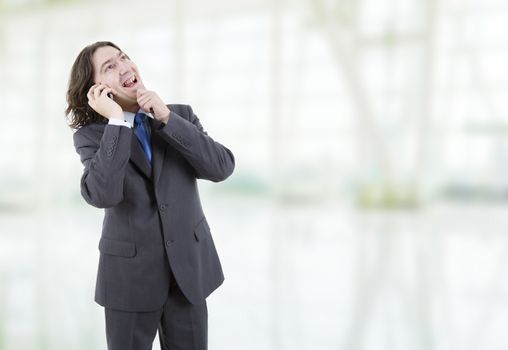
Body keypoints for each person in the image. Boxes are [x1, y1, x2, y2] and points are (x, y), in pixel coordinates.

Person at [65, 41, 235, 350]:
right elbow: (103, 193)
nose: (124, 66)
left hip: (188, 275)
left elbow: (221, 167)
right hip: (130, 278)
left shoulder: (179, 115)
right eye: (109, 67)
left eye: (124, 58)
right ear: (95, 92)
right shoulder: (92, 137)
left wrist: (167, 119)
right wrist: (117, 121)